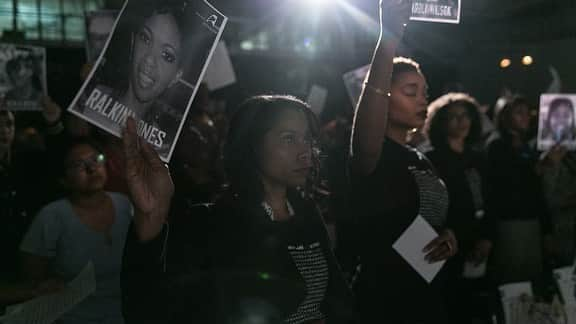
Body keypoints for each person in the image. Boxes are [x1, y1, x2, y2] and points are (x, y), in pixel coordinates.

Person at [121, 95, 356, 324]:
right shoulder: (213, 224)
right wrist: (149, 219)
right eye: (288, 138)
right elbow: (151, 311)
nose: (305, 151)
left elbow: (339, 299)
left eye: (307, 138)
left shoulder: (306, 215)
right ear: (251, 144)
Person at [348, 1, 457, 323]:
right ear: (382, 96)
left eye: (425, 91)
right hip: (386, 301)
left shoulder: (421, 157)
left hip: (428, 295)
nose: (423, 98)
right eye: (411, 90)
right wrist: (388, 39)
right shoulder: (372, 151)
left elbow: (432, 221)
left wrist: (449, 236)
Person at [19, 139, 132, 324]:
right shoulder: (51, 216)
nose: (91, 168)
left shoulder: (125, 205)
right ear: (64, 180)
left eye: (96, 159)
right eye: (78, 165)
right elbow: (33, 281)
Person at [424, 93, 497, 323]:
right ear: (441, 122)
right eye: (453, 117)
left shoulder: (478, 157)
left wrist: (487, 237)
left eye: (465, 115)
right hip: (451, 246)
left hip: (481, 241)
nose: (461, 121)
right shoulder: (431, 159)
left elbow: (491, 200)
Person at [486, 96, 552, 283]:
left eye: (527, 113)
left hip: (532, 222)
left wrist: (546, 229)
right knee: (515, 283)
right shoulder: (497, 145)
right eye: (519, 113)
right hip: (511, 224)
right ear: (505, 116)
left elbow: (536, 191)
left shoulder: (525, 146)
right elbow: (502, 188)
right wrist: (538, 168)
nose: (526, 118)